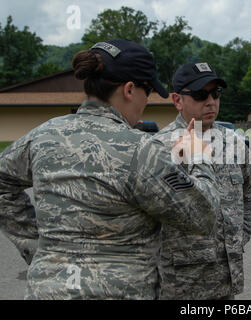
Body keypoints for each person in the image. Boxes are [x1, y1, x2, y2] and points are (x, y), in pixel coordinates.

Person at [0, 39, 219, 300]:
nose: (145, 101)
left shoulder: (43, 136)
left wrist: (39, 247)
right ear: (129, 89)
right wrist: (199, 156)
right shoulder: (142, 150)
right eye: (147, 91)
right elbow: (203, 215)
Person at [154, 62, 251, 299]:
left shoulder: (235, 143)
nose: (211, 101)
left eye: (215, 94)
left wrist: (238, 237)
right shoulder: (158, 148)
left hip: (226, 280)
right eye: (201, 94)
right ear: (177, 100)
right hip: (180, 284)